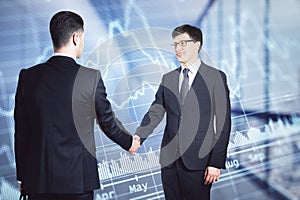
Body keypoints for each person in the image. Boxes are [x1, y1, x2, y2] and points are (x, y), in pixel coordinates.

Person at [14, 11, 140, 200]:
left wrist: (24, 177)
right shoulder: (90, 78)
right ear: (75, 37)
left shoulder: (28, 77)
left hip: (39, 183)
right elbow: (107, 122)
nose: (82, 43)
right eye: (82, 38)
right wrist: (129, 143)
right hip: (78, 182)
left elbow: (22, 132)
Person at [135, 24, 231, 199]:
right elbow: (155, 112)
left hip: (199, 162)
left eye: (183, 43)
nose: (178, 49)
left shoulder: (215, 77)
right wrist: (138, 137)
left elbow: (223, 124)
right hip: (170, 162)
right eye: (175, 45)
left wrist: (215, 163)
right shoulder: (169, 78)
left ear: (197, 45)